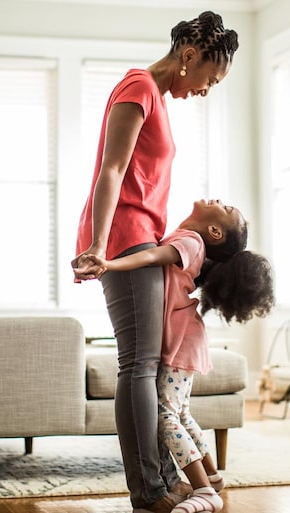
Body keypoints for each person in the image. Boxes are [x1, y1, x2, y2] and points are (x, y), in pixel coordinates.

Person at [71, 11, 239, 513]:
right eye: (209, 79)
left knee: (145, 366)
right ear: (189, 57)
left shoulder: (157, 99)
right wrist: (100, 245)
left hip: (141, 238)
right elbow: (113, 169)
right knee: (139, 367)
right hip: (125, 238)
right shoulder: (139, 85)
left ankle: (164, 480)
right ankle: (150, 492)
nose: (206, 90)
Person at [77, 199, 275, 513]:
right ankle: (211, 474)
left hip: (181, 340)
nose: (218, 202)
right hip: (186, 337)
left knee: (166, 417)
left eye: (225, 209)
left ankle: (205, 490)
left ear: (214, 232)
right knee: (179, 413)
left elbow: (153, 256)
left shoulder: (191, 241)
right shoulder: (191, 240)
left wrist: (108, 263)